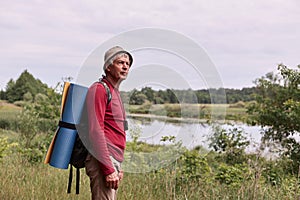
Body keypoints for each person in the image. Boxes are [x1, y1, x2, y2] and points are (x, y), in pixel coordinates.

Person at [85, 46, 133, 200]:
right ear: (108, 66)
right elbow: (95, 131)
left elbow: (115, 132)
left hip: (112, 160)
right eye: (120, 62)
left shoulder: (115, 92)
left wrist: (118, 166)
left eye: (128, 63)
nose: (125, 66)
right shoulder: (99, 89)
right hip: (102, 161)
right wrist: (108, 169)